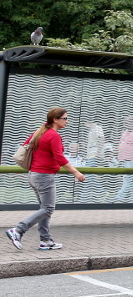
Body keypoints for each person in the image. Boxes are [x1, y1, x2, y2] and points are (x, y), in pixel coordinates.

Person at [6, 107, 86, 251]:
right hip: (44, 176)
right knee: (48, 208)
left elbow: (26, 146)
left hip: (33, 175)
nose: (67, 121)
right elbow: (59, 157)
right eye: (65, 118)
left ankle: (46, 240)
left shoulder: (40, 131)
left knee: (45, 208)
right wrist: (76, 172)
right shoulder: (53, 135)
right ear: (55, 119)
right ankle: (18, 230)